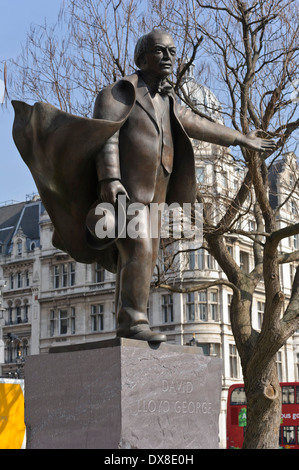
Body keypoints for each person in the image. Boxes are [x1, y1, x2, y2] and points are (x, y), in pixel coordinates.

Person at [12, 29, 275, 343]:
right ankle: (135, 322)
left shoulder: (168, 100)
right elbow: (105, 136)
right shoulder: (118, 93)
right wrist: (110, 180)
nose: (168, 57)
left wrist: (241, 138)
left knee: (143, 258)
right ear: (141, 57)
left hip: (158, 197)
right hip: (127, 192)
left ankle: (128, 324)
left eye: (172, 52)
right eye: (160, 51)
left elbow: (199, 124)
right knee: (139, 250)